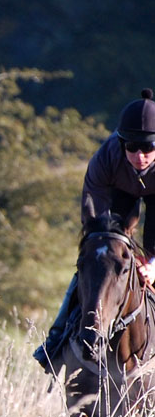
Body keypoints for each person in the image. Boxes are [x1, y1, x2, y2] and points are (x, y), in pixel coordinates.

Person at [34, 88, 155, 373]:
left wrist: (152, 264)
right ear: (121, 143)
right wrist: (109, 250)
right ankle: (56, 337)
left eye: (148, 148)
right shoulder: (105, 158)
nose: (140, 156)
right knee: (97, 264)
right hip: (118, 194)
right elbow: (94, 221)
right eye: (132, 147)